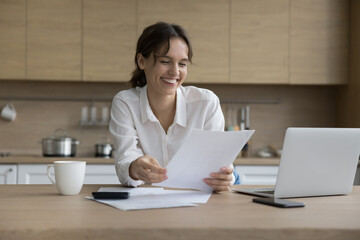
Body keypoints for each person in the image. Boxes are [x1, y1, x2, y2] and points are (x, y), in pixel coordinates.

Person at [109, 22, 240, 192]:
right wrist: (133, 168)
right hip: (150, 205)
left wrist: (224, 178)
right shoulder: (125, 103)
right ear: (142, 61)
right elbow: (125, 161)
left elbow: (217, 162)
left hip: (198, 202)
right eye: (165, 61)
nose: (175, 72)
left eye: (183, 64)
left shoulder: (206, 103)